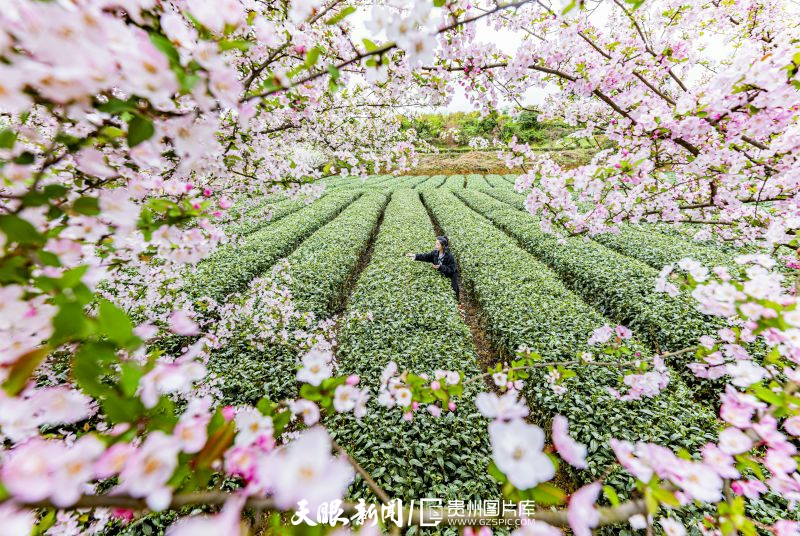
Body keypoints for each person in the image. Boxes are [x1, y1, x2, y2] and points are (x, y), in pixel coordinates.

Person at [405, 235, 460, 300]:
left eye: (437, 245)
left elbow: (452, 269)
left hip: (450, 276)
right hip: (441, 274)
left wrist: (440, 267)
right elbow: (426, 256)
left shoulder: (449, 256)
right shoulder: (435, 253)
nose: (435, 246)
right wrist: (414, 255)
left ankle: (458, 304)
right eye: (435, 244)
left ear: (443, 246)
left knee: (454, 292)